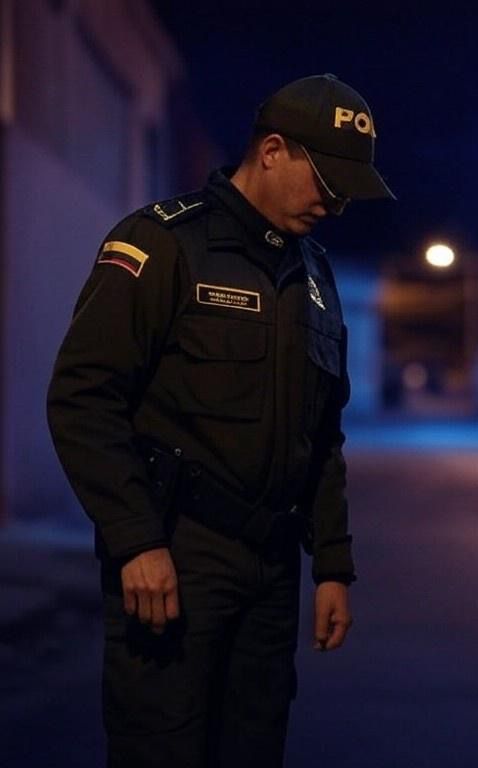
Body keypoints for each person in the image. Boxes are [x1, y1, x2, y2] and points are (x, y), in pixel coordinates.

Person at [47, 73, 394, 768]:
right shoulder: (163, 244)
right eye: (325, 179)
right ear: (271, 151)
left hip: (270, 571)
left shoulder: (315, 276)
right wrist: (135, 540)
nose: (335, 202)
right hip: (175, 556)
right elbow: (83, 399)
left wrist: (332, 565)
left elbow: (322, 434)